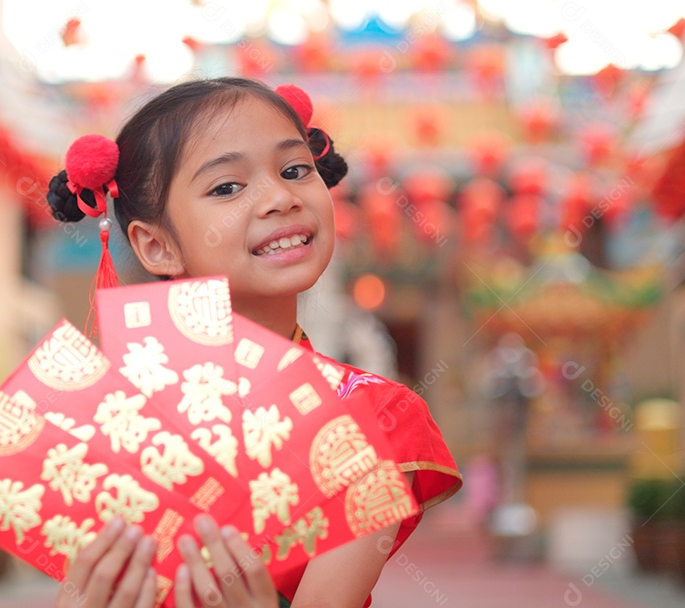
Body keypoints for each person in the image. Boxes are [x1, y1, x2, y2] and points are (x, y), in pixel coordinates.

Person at [45, 77, 462, 608]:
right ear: (157, 245)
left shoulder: (375, 418)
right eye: (227, 187)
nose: (281, 198)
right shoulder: (112, 423)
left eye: (294, 171)